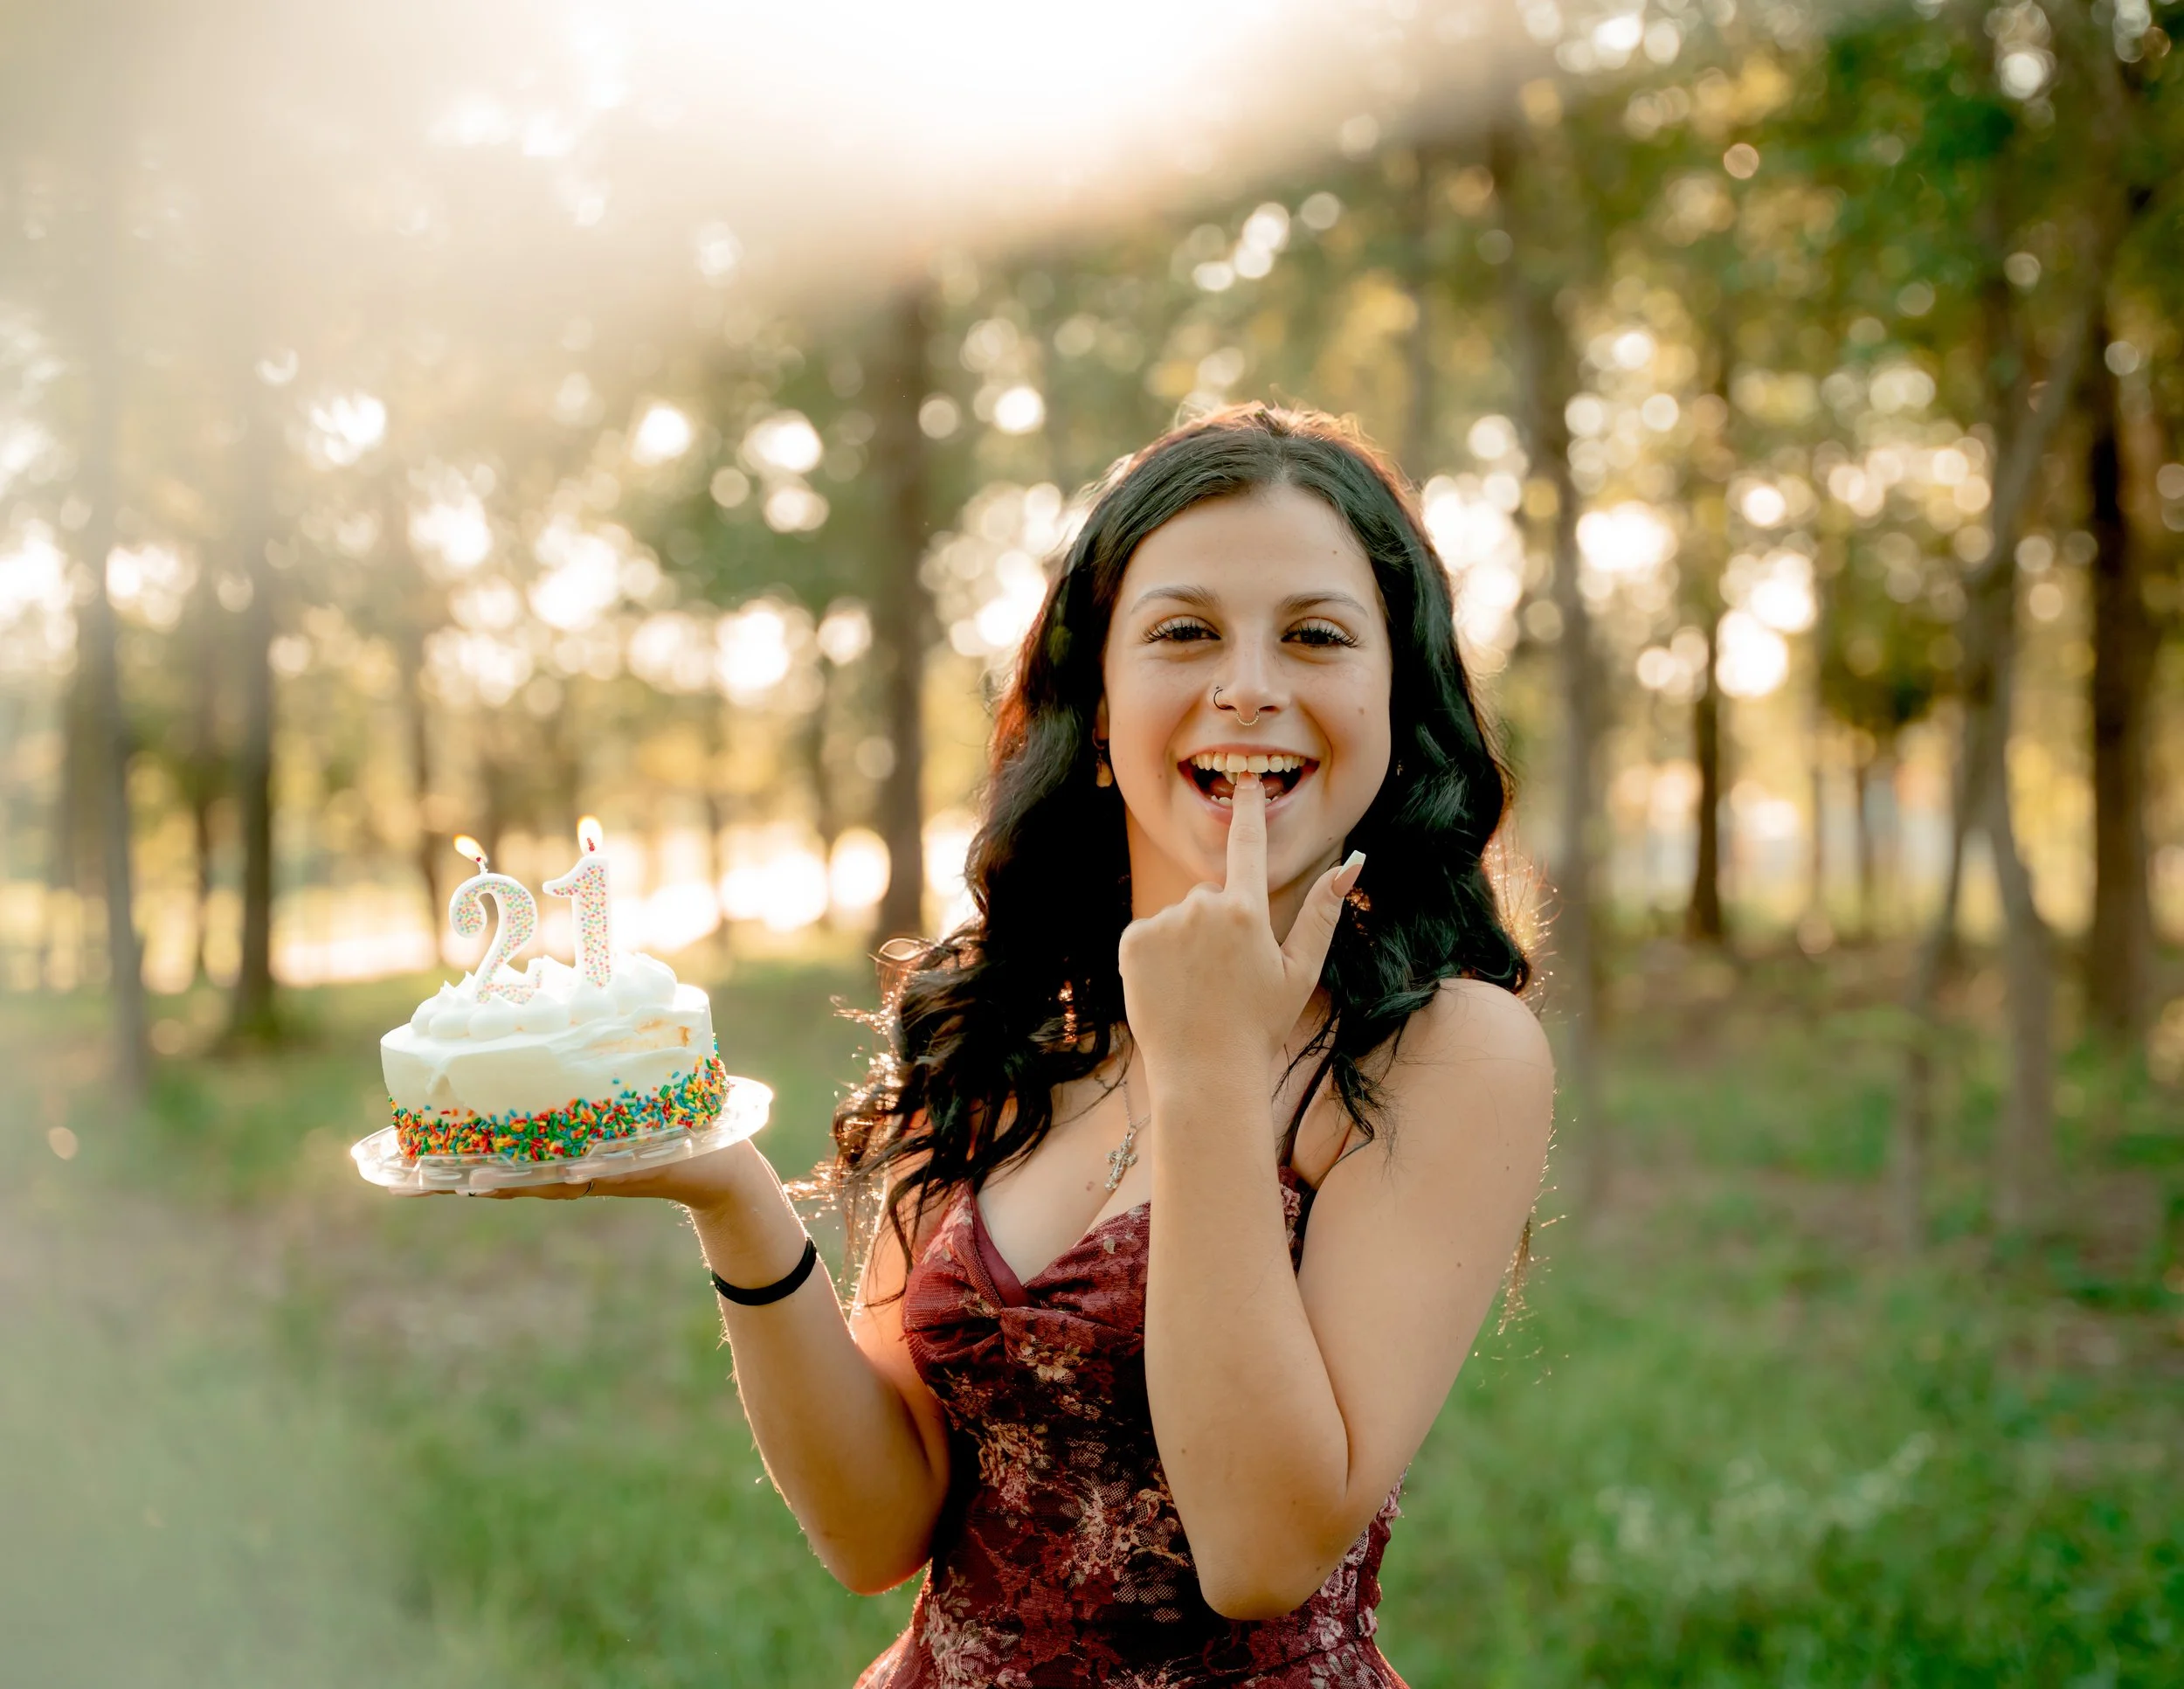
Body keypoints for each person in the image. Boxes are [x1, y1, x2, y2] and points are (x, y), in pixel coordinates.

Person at [514, 404, 1553, 1686]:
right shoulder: (1011, 1025)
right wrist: (731, 1196)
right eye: (1183, 632)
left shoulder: (1447, 1053)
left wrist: (1211, 1066)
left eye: (1317, 636)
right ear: (1101, 714)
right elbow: (879, 1527)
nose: (1248, 686)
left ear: (1395, 699)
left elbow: (1263, 1549)